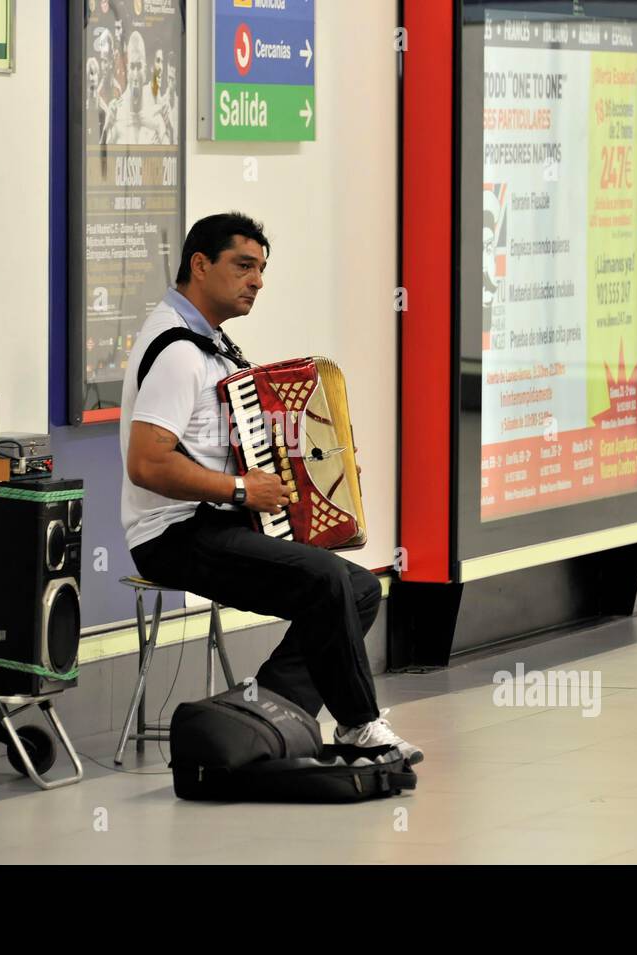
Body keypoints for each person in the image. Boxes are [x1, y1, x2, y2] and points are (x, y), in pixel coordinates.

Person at [119, 212, 424, 764]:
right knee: (327, 579)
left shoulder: (210, 345)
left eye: (261, 269)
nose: (256, 280)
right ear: (200, 265)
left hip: (212, 519)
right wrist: (241, 489)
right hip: (172, 534)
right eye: (243, 266)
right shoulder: (178, 352)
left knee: (357, 588)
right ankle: (359, 726)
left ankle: (262, 715)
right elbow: (146, 462)